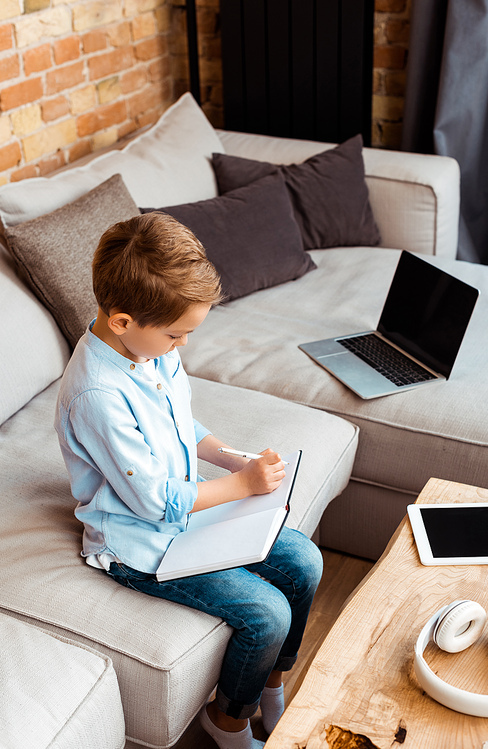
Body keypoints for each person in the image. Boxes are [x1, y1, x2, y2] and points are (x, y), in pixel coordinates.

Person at [55, 212, 323, 749]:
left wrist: (230, 460)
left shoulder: (148, 350)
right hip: (138, 542)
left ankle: (270, 685)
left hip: (187, 512)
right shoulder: (98, 395)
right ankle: (227, 722)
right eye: (176, 335)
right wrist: (242, 488)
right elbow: (155, 502)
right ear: (124, 320)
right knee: (265, 613)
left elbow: (182, 424)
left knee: (304, 561)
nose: (182, 347)